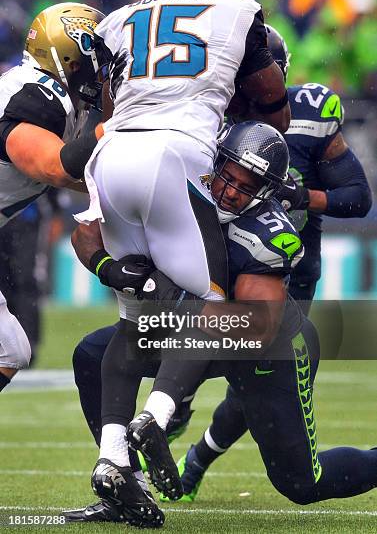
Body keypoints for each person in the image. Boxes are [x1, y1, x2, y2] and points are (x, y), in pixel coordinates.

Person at [74, 0, 290, 525]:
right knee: (210, 304)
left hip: (115, 153)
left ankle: (111, 456)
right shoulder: (237, 9)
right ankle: (158, 414)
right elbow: (272, 102)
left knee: (133, 317)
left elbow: (111, 104)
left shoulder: (118, 21)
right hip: (180, 149)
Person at [64, 121, 377, 524]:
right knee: (92, 353)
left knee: (301, 483)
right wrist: (108, 268)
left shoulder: (264, 234)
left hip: (268, 351)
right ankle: (126, 483)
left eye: (244, 187)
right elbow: (87, 230)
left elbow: (255, 325)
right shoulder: (177, 188)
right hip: (192, 336)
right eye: (226, 175)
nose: (229, 191)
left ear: (265, 192)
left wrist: (171, 297)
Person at [159, 24, 373, 502]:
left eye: (260, 80)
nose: (251, 91)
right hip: (214, 268)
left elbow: (357, 198)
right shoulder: (206, 117)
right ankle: (169, 412)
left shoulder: (311, 114)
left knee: (253, 387)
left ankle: (195, 456)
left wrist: (302, 194)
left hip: (285, 275)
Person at [0, 1, 105, 393]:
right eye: (93, 56)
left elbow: (85, 176)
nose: (100, 68)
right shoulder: (37, 94)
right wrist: (106, 122)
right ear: (69, 54)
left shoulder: (54, 97)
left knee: (9, 350)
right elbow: (58, 167)